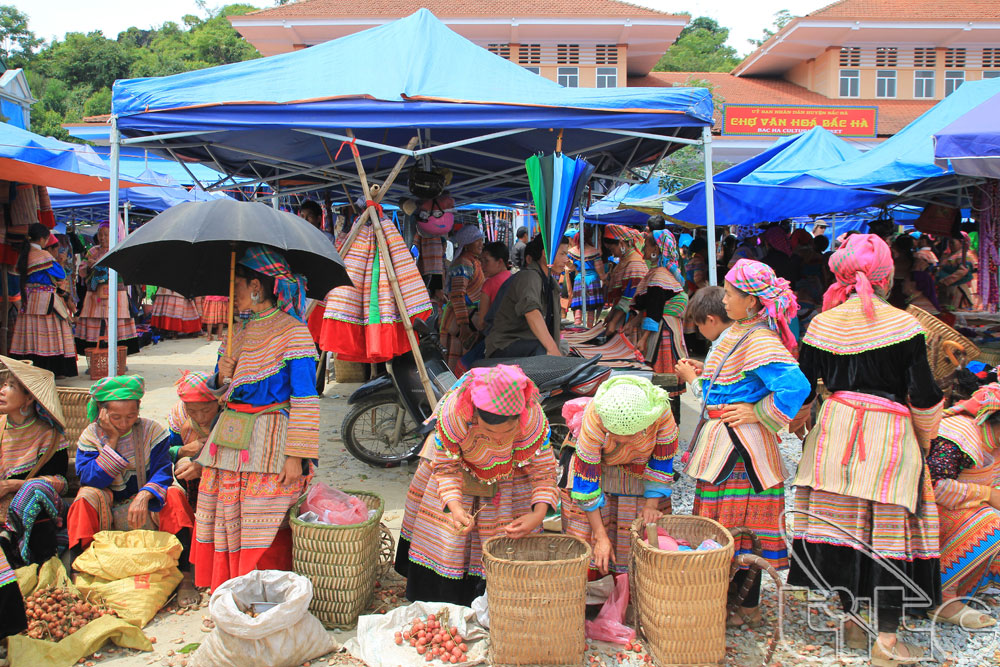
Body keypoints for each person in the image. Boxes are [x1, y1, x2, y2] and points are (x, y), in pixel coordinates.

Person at [787, 234, 944, 665]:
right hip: (888, 436)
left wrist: (801, 423)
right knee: (889, 535)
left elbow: (803, 389)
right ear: (886, 276)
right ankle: (887, 643)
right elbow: (924, 395)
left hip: (835, 434)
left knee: (843, 529)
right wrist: (925, 440)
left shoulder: (821, 323)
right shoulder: (904, 325)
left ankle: (853, 625)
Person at [675, 260, 810, 627]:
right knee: (731, 523)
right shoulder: (743, 331)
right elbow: (740, 380)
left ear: (751, 301)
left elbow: (796, 386)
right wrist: (709, 375)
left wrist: (757, 412)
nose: (726, 299)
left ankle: (736, 604)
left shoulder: (760, 339)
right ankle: (736, 603)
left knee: (737, 523)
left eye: (732, 294)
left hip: (738, 451)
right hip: (730, 445)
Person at [193, 246, 318, 592]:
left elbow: (306, 397)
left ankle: (265, 591)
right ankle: (229, 588)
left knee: (265, 516)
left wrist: (297, 456)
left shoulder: (294, 332)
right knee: (228, 514)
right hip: (229, 437)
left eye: (236, 288)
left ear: (256, 287)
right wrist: (221, 375)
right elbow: (221, 390)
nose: (230, 297)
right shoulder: (237, 332)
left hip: (270, 437)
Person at [394, 365, 558, 605]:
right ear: (474, 416)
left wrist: (538, 513)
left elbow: (544, 470)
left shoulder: (532, 420)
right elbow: (446, 469)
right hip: (459, 467)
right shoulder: (454, 417)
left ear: (520, 418)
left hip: (510, 475)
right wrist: (456, 506)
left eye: (509, 430)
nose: (499, 440)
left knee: (505, 544)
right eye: (490, 430)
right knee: (449, 537)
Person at [66, 375, 198, 603]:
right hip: (107, 504)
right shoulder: (90, 436)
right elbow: (90, 479)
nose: (124, 423)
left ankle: (186, 576)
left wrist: (145, 495)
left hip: (147, 503)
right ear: (102, 412)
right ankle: (81, 574)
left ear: (139, 409)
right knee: (83, 499)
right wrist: (113, 441)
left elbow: (163, 471)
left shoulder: (152, 431)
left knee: (175, 495)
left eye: (131, 416)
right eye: (116, 417)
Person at [560, 377, 677, 575]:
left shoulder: (661, 414)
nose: (622, 440)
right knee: (589, 538)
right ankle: (592, 591)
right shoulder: (595, 418)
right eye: (615, 433)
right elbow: (586, 485)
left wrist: (651, 506)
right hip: (594, 467)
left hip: (641, 467)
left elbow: (661, 462)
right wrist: (600, 536)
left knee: (640, 534)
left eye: (631, 435)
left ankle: (630, 586)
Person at [925, 383, 1000, 630]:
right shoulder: (960, 433)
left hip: (957, 512)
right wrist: (986, 494)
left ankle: (969, 587)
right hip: (922, 516)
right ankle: (940, 598)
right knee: (991, 523)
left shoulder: (993, 441)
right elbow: (932, 485)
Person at [0, 356, 69, 570]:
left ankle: (11, 540)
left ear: (29, 399)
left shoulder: (49, 436)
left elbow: (61, 482)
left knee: (33, 488)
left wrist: (13, 486)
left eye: (11, 386)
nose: (2, 390)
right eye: (4, 384)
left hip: (39, 503)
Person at [633, 229, 688, 423]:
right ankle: (672, 423)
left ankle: (666, 425)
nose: (643, 250)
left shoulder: (659, 276)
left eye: (646, 246)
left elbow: (655, 311)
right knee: (669, 379)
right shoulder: (668, 274)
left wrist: (643, 339)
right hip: (670, 329)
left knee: (663, 380)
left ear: (656, 248)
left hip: (663, 333)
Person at [10, 224, 78, 378]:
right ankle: (51, 369)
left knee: (29, 334)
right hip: (45, 300)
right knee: (48, 335)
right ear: (42, 239)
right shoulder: (43, 256)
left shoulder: (23, 254)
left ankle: (29, 369)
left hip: (27, 299)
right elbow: (60, 274)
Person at [486, 234, 568, 359]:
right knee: (544, 350)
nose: (566, 259)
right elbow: (531, 312)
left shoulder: (549, 282)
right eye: (562, 254)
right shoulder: (529, 277)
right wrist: (552, 349)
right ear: (546, 254)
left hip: (524, 344)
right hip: (504, 346)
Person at [75, 223, 140, 355]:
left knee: (115, 323)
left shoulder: (119, 250)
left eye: (106, 234)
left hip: (116, 294)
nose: (102, 238)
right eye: (100, 234)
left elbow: (127, 270)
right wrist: (89, 266)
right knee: (97, 324)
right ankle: (96, 356)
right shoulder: (92, 251)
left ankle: (118, 357)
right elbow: (81, 271)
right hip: (95, 296)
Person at [166, 371, 221, 512]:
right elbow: (164, 452)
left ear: (219, 401)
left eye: (206, 410)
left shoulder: (229, 418)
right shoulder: (180, 418)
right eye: (192, 411)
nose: (201, 418)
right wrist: (183, 450)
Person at [441, 226, 485, 371]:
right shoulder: (464, 263)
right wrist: (464, 325)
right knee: (459, 362)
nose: (480, 243)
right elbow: (457, 296)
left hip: (469, 318)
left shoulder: (473, 261)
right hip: (461, 320)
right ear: (466, 244)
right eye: (475, 240)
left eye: (480, 239)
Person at [602, 225, 647, 337]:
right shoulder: (625, 261)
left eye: (612, 249)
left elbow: (629, 297)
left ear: (621, 244)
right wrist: (611, 315)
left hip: (631, 319)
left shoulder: (634, 263)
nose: (613, 254)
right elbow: (619, 298)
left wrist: (613, 321)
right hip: (622, 316)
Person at [567, 234, 605, 328]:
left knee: (578, 305)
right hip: (593, 279)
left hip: (579, 278)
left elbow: (566, 262)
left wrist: (574, 268)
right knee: (591, 307)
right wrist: (603, 277)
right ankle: (589, 328)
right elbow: (599, 268)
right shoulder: (594, 251)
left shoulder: (572, 251)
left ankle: (577, 326)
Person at [473, 241, 512, 332]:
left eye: (486, 261)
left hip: (496, 336)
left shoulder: (489, 284)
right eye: (481, 261)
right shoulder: (513, 278)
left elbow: (481, 323)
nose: (482, 266)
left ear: (500, 262)